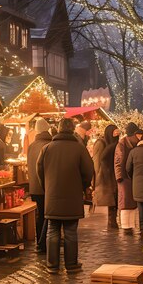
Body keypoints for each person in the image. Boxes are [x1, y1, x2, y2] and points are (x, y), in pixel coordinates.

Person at [37, 117, 94, 274]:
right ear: (72, 129)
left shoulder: (47, 148)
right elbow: (89, 171)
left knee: (52, 229)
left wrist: (47, 188)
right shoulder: (79, 148)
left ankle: (52, 265)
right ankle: (71, 264)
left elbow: (39, 172)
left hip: (52, 196)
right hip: (72, 196)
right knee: (70, 231)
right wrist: (82, 186)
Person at [27, 118, 52, 252]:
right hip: (47, 186)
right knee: (48, 215)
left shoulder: (31, 146)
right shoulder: (49, 145)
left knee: (39, 214)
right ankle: (43, 243)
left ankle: (40, 242)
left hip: (35, 187)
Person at [114, 123, 142, 232]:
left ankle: (130, 224)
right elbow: (118, 161)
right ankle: (126, 225)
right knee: (125, 200)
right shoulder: (122, 144)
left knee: (131, 200)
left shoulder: (133, 144)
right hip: (125, 177)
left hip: (133, 176)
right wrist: (119, 176)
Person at [93, 124, 119, 228]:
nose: (116, 135)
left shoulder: (114, 144)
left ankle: (112, 221)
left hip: (114, 174)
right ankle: (111, 221)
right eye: (114, 133)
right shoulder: (101, 143)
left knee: (114, 198)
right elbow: (97, 162)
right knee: (110, 198)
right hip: (105, 175)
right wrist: (98, 176)